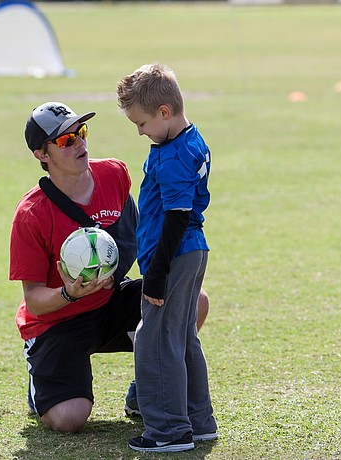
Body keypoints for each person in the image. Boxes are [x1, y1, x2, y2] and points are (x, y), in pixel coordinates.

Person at [8, 101, 210, 434]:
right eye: (65, 141)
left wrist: (122, 277)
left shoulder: (114, 174)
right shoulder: (31, 214)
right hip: (58, 321)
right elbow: (34, 301)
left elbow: (133, 238)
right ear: (41, 155)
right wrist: (69, 292)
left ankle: (147, 389)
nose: (80, 144)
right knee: (69, 419)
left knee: (192, 300)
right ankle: (40, 386)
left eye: (81, 132)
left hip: (109, 302)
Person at [116, 63, 218, 452]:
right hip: (191, 252)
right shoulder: (188, 139)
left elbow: (175, 216)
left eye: (141, 123)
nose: (140, 132)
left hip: (173, 255)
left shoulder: (174, 155)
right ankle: (197, 419)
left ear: (164, 112)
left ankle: (168, 430)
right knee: (181, 336)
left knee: (155, 340)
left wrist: (156, 273)